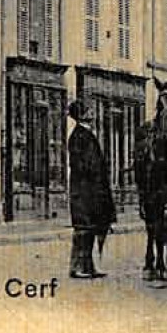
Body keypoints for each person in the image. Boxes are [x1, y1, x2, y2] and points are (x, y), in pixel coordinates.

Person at [66, 101, 114, 279]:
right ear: (82, 114)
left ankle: (88, 266)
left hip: (91, 190)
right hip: (84, 191)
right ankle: (77, 267)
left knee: (91, 229)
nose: (92, 113)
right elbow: (81, 165)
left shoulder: (85, 134)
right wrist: (95, 173)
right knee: (83, 230)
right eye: (89, 110)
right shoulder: (79, 136)